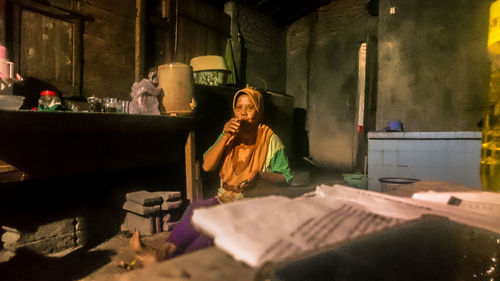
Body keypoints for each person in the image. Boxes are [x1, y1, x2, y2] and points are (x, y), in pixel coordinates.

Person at [129, 87, 292, 265]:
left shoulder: (270, 139)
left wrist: (260, 176)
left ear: (259, 111)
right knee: (195, 211)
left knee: (209, 233)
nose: (243, 112)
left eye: (249, 108)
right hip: (225, 200)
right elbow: (207, 165)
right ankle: (162, 255)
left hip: (250, 207)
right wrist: (224, 137)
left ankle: (168, 265)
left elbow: (286, 178)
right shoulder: (230, 134)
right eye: (239, 108)